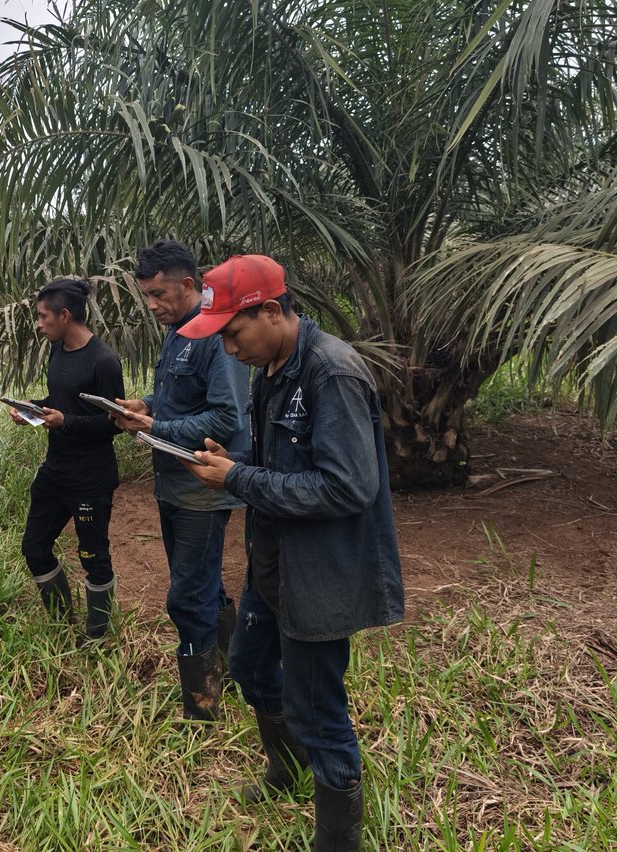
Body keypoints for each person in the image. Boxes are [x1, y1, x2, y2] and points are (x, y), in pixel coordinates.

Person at [178, 255, 404, 849]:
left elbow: (348, 486)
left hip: (320, 575)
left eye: (232, 332)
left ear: (271, 311)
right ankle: (288, 771)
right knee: (251, 668)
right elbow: (283, 468)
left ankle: (337, 838)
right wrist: (233, 465)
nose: (227, 350)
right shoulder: (271, 368)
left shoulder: (332, 373)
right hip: (274, 564)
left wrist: (237, 481)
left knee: (319, 713)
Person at [111, 240, 250, 721]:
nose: (151, 305)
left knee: (187, 594)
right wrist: (146, 406)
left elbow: (227, 417)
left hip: (201, 488)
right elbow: (180, 397)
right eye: (146, 295)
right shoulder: (177, 330)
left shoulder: (216, 338)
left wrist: (157, 427)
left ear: (188, 284)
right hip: (172, 482)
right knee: (203, 586)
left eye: (158, 293)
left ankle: (201, 708)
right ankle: (235, 669)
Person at [9, 277, 125, 642]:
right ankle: (62, 623)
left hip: (91, 475)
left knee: (93, 556)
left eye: (44, 317)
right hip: (55, 470)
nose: (39, 324)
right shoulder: (57, 351)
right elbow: (62, 398)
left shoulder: (104, 361)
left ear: (64, 315)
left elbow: (114, 423)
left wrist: (66, 422)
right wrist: (35, 409)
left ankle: (97, 636)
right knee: (35, 547)